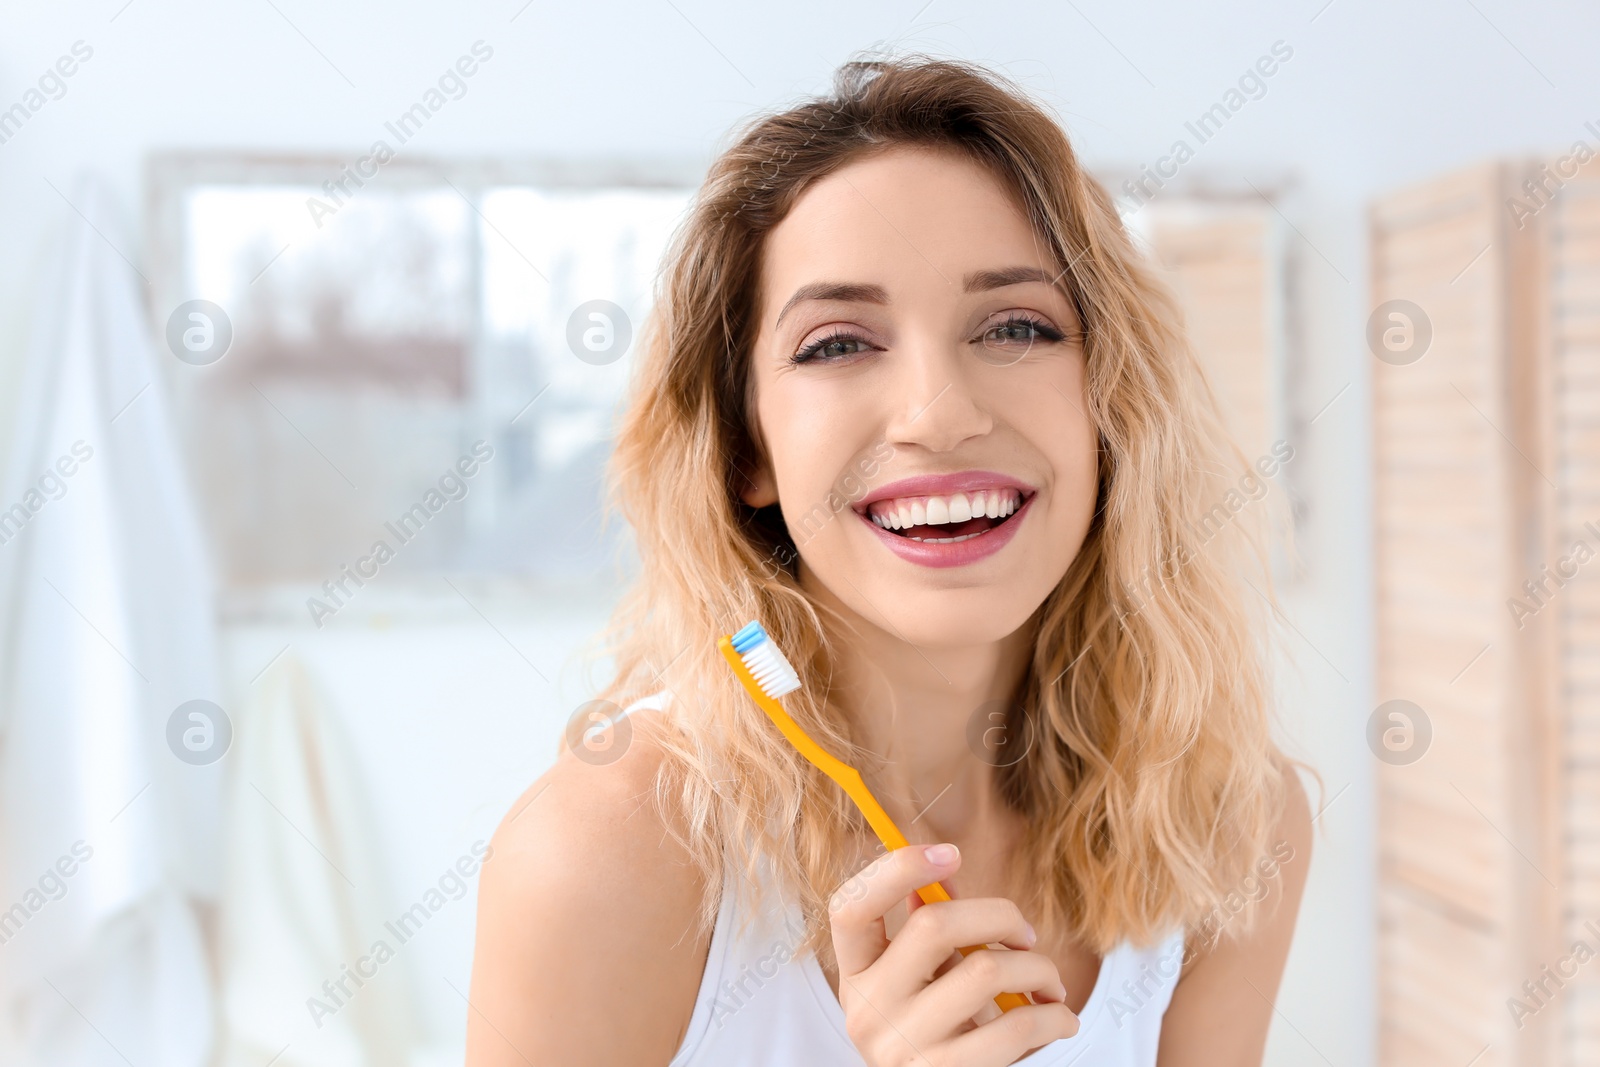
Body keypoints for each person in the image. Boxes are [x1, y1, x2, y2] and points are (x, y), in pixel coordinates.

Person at [466, 53, 1313, 1067]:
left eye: (1014, 325)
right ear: (746, 448)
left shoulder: (1229, 820)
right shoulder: (608, 851)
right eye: (836, 343)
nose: (940, 412)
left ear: (1110, 405)